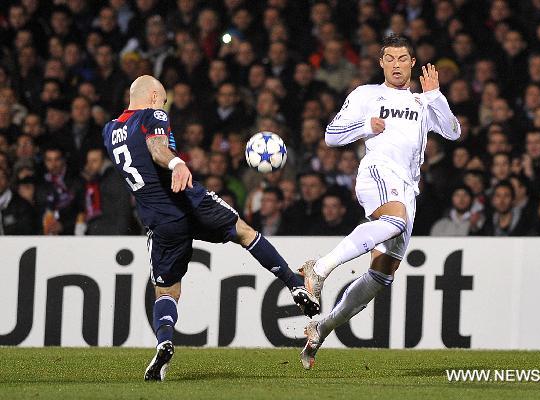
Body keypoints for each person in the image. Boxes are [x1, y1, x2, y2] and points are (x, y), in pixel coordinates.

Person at [102, 75, 319, 381]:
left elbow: (145, 156)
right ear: (153, 98)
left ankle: (165, 341)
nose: (164, 108)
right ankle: (294, 285)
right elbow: (156, 148)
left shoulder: (110, 130)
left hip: (159, 218)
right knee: (244, 232)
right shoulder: (154, 116)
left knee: (167, 289)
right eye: (162, 101)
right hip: (189, 199)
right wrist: (176, 163)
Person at [298, 35, 460, 369]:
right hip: (376, 171)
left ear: (412, 63)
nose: (397, 64)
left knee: (382, 274)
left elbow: (453, 131)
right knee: (395, 220)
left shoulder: (422, 102)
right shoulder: (366, 95)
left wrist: (435, 96)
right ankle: (321, 268)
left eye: (403, 59)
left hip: (408, 187)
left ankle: (321, 327)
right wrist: (364, 126)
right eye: (390, 58)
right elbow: (331, 136)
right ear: (381, 62)